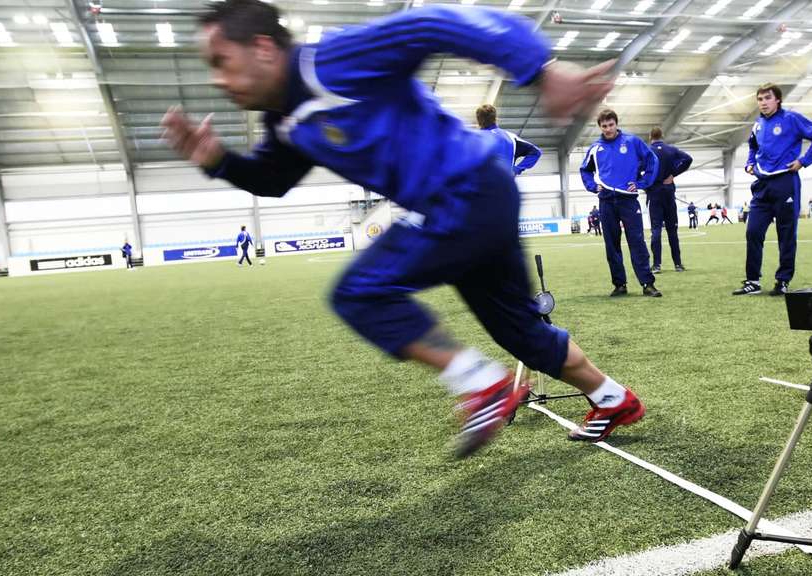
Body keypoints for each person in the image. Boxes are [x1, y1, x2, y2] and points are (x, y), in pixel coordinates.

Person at [163, 0, 645, 457]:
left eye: (221, 61)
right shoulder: (284, 120)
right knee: (523, 334)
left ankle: (482, 383)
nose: (217, 80)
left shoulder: (331, 62)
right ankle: (611, 398)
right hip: (470, 202)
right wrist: (218, 161)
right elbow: (273, 178)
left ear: (263, 48)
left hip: (465, 191)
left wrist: (541, 71)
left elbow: (432, 24)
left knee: (359, 292)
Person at [733, 83, 812, 296]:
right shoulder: (757, 124)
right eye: (760, 99)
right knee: (753, 232)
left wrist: (804, 161)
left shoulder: (791, 119)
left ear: (777, 100)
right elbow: (753, 146)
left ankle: (783, 280)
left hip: (786, 183)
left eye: (767, 98)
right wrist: (750, 163)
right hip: (761, 185)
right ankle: (753, 281)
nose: (763, 103)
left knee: (786, 234)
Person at [580, 109, 662, 297]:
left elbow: (652, 160)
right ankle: (620, 285)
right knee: (612, 245)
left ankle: (647, 284)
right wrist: (593, 186)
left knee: (637, 242)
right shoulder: (595, 148)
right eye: (604, 126)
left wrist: (642, 183)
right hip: (606, 201)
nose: (608, 129)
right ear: (599, 127)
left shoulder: (632, 141)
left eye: (611, 125)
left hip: (628, 200)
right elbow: (585, 170)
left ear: (616, 124)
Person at [646, 127, 692, 273]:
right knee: (672, 230)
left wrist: (646, 184)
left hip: (654, 193)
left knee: (656, 230)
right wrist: (674, 174)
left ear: (650, 137)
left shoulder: (648, 151)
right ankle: (678, 264)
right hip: (669, 192)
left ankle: (657, 265)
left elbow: (637, 168)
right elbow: (688, 159)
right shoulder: (671, 150)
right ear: (662, 135)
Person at [475, 104, 541, 176]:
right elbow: (536, 152)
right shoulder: (511, 137)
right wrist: (517, 169)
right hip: (507, 184)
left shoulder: (475, 138)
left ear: (478, 119)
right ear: (495, 118)